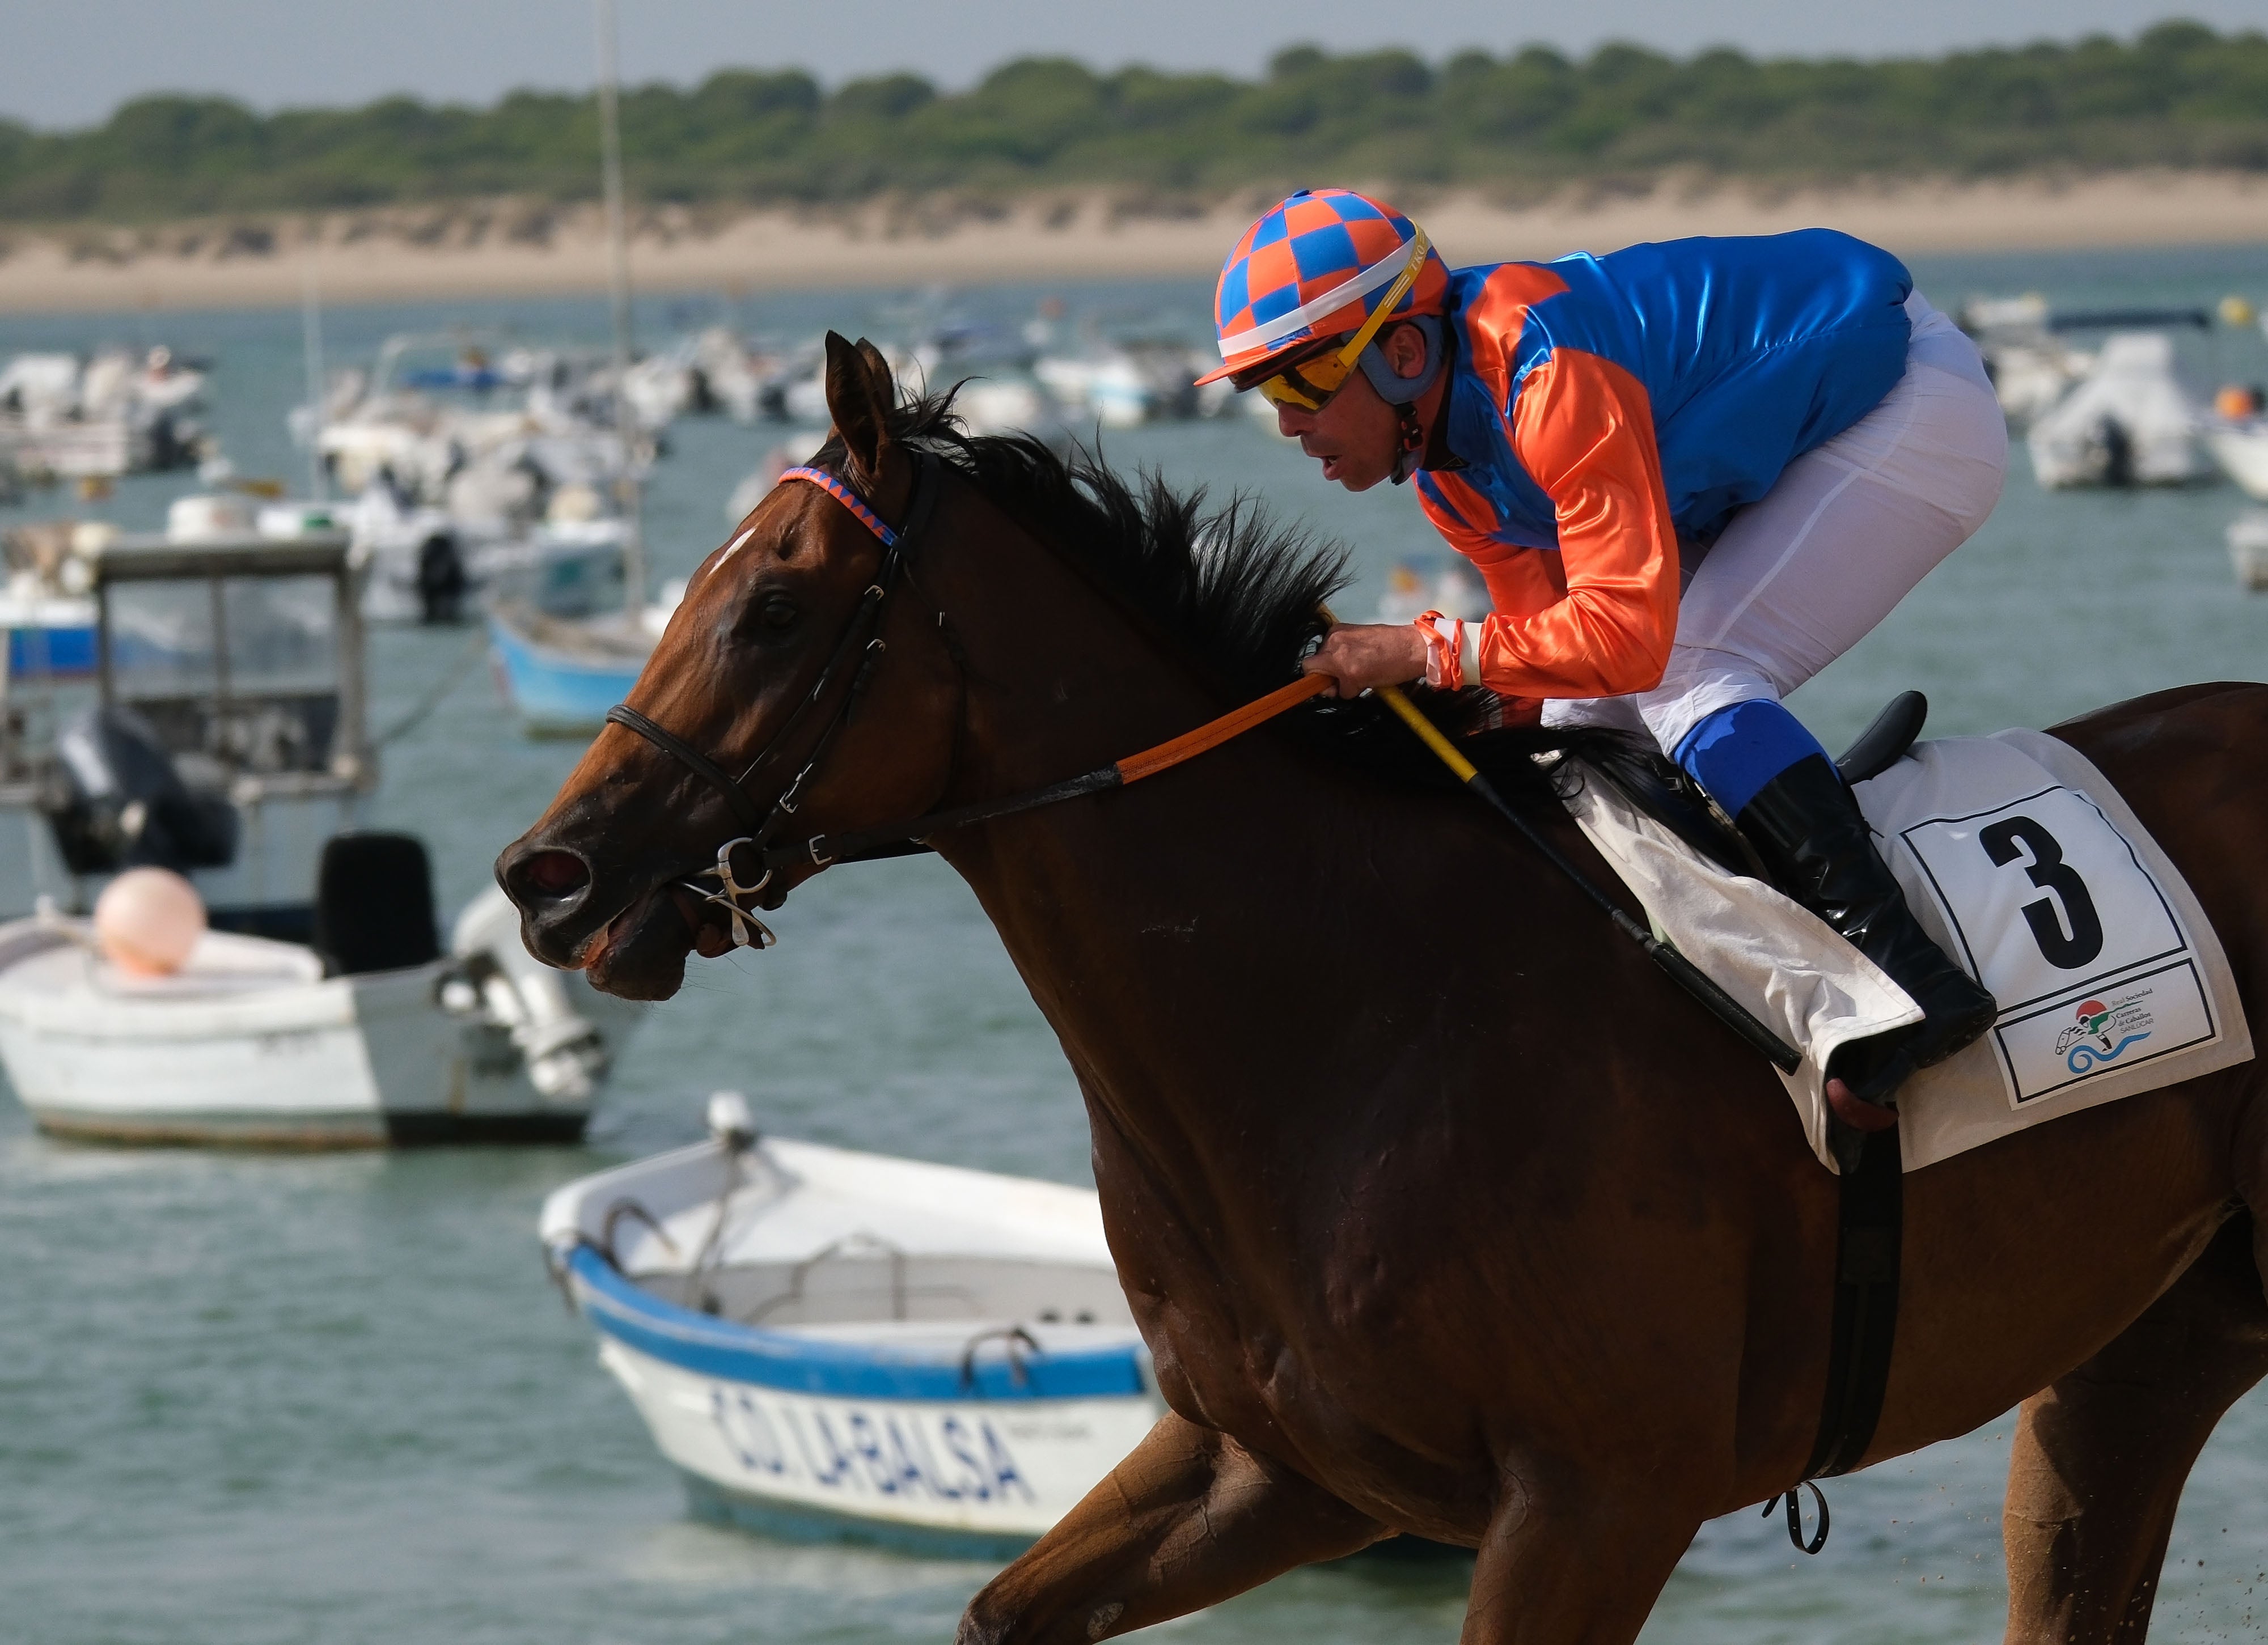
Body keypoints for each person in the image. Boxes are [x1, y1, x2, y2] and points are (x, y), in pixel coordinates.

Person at [1195, 189, 2007, 1120]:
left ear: (1404, 352)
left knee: (1685, 668)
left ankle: (1908, 976)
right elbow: (1550, 676)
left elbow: (1625, 639)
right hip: (1770, 440)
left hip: (1905, 399)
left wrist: (1422, 652)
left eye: (1302, 385)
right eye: (1271, 398)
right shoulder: (1454, 487)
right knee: (1580, 728)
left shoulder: (1545, 369)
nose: (1289, 425)